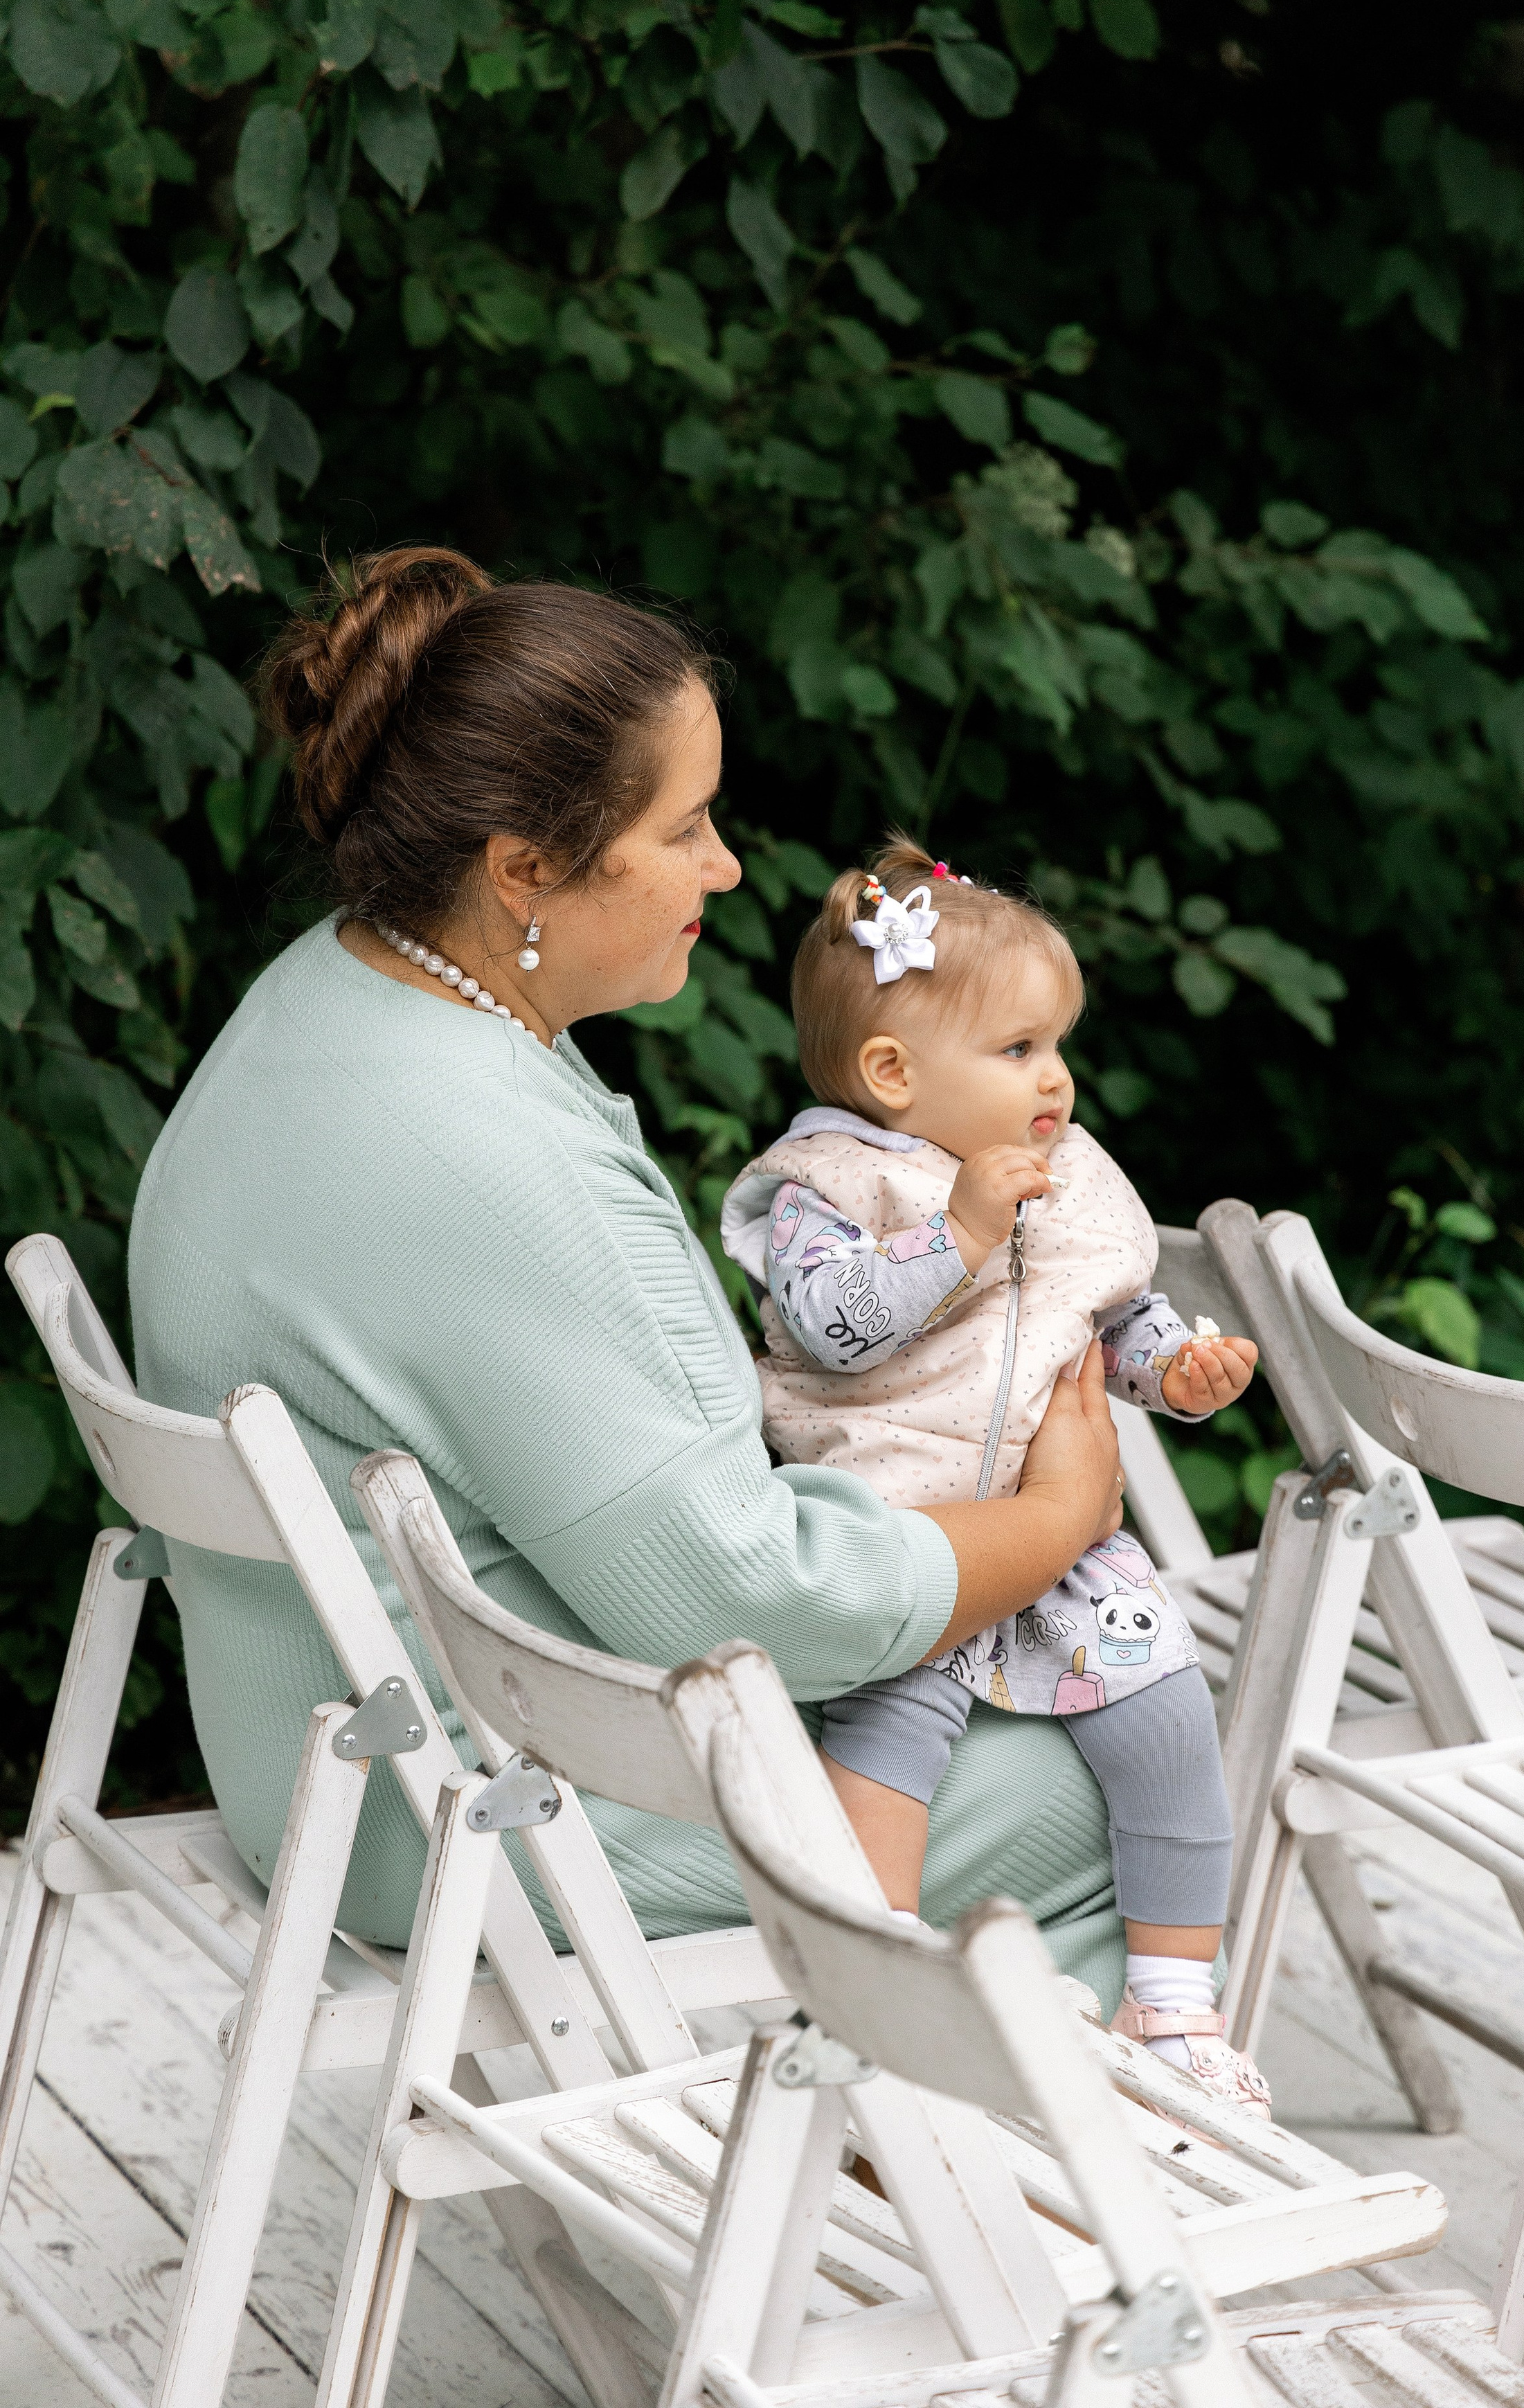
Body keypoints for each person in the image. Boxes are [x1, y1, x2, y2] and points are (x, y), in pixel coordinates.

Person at [127, 546, 1135, 2011]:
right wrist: (1051, 1520)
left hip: (326, 1755)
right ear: (523, 869)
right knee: (1100, 1775)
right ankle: (958, 2208)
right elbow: (732, 1595)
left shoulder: (324, 996)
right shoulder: (477, 1155)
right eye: (685, 828)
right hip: (468, 1815)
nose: (726, 869)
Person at [721, 843, 1269, 2110]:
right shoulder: (827, 1189)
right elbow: (828, 1325)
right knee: (889, 1741)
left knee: (1173, 1720)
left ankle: (1176, 2009)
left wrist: (1171, 1365)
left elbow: (1100, 1313)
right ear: (892, 1072)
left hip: (1063, 1547)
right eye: (1019, 1049)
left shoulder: (1063, 1181)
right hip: (905, 1529)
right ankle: (875, 1989)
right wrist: (960, 1230)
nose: (1057, 1078)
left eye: (1059, 1045)